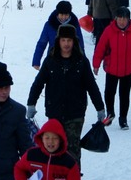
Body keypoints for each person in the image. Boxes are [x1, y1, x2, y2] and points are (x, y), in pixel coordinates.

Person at [26, 24, 106, 166]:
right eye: (63, 40)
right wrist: (31, 103)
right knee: (54, 147)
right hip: (54, 111)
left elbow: (91, 86)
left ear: (74, 41)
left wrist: (100, 107)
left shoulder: (81, 61)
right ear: (58, 41)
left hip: (75, 113)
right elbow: (38, 83)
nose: (66, 44)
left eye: (69, 40)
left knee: (72, 149)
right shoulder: (50, 61)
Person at [92, 7, 131, 130]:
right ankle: (110, 113)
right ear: (116, 18)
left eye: (125, 19)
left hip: (128, 70)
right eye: (120, 18)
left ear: (129, 19)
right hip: (111, 68)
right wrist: (96, 64)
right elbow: (100, 48)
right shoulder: (108, 31)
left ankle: (123, 118)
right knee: (109, 92)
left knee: (124, 95)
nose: (122, 21)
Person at [32, 0, 85, 69]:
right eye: (61, 14)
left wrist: (83, 61)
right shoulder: (49, 25)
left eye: (66, 15)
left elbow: (80, 44)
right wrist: (36, 61)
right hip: (53, 58)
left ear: (69, 14)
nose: (63, 17)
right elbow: (42, 43)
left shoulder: (74, 25)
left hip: (71, 59)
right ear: (57, 13)